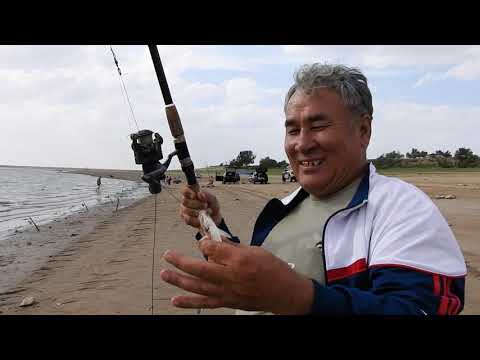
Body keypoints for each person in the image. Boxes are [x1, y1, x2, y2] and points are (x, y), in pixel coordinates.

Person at [160, 63, 466, 315]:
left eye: (318, 126)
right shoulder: (283, 209)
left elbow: (421, 309)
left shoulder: (403, 209)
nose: (302, 144)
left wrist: (301, 297)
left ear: (364, 130)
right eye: (293, 129)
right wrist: (212, 223)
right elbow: (250, 280)